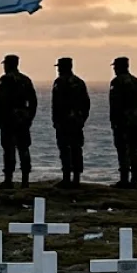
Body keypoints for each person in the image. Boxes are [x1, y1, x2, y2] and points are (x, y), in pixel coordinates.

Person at [0, 54, 37, 188]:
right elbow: (33, 101)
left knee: (9, 150)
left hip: (9, 119)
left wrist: (0, 118)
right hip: (23, 119)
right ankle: (25, 180)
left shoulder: (5, 80)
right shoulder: (25, 80)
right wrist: (29, 117)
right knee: (23, 149)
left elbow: (1, 101)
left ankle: (9, 180)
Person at [51, 57, 90, 188]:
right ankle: (76, 179)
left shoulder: (59, 82)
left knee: (65, 150)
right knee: (76, 149)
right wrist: (81, 119)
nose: (58, 70)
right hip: (76, 122)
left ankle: (67, 178)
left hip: (64, 122)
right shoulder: (79, 82)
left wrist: (56, 120)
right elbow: (86, 104)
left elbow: (56, 104)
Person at [108, 57, 137, 189]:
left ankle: (124, 179)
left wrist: (115, 121)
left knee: (123, 150)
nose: (114, 69)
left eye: (115, 67)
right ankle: (134, 179)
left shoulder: (117, 82)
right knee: (135, 149)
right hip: (135, 122)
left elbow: (115, 105)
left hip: (122, 123)